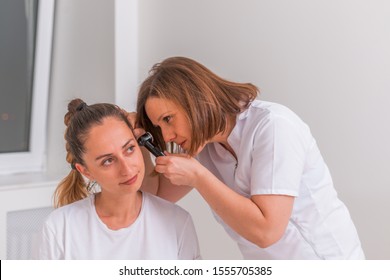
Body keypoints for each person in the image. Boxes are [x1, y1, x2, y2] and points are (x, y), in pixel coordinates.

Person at [134, 56, 365, 260]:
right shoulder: (204, 146)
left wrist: (198, 177)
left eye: (168, 119)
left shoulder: (273, 127)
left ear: (194, 100)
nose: (166, 135)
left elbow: (267, 232)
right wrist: (139, 141)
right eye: (158, 126)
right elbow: (155, 195)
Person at [34, 98, 201, 260]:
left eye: (129, 149)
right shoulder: (59, 228)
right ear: (85, 171)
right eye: (108, 160)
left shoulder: (177, 222)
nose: (127, 169)